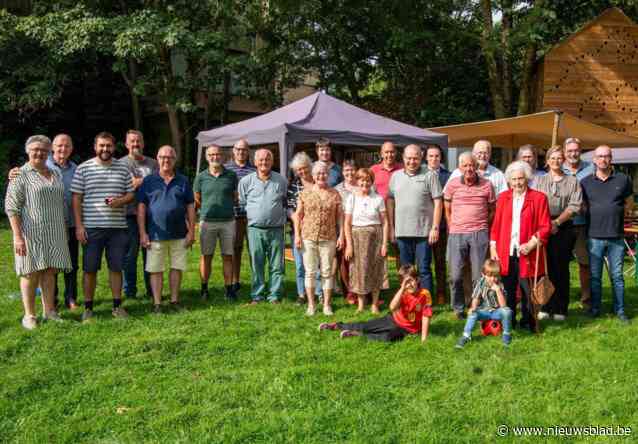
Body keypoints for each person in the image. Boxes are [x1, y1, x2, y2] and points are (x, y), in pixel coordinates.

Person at [5, 135, 72, 329]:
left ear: (49, 152)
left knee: (50, 271)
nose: (40, 153)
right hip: (30, 233)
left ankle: (49, 311)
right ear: (28, 151)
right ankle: (29, 315)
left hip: (55, 231)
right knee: (30, 272)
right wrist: (17, 237)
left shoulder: (55, 174)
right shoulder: (20, 175)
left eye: (44, 150)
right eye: (35, 149)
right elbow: (12, 207)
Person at [71, 132, 135, 322]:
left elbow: (131, 194)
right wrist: (79, 226)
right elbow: (76, 198)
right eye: (102, 145)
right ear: (95, 147)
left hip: (117, 228)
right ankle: (88, 309)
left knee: (116, 268)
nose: (105, 149)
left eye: (108, 146)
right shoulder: (83, 168)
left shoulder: (123, 168)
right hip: (92, 228)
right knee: (89, 269)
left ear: (114, 147)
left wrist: (120, 201)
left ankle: (117, 306)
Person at [490, 161, 551, 332]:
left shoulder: (539, 198)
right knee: (508, 290)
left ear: (527, 179)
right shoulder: (503, 198)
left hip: (529, 253)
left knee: (528, 291)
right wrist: (493, 248)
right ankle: (509, 322)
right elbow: (496, 225)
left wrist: (532, 244)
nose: (517, 183)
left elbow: (545, 226)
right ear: (509, 180)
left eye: (521, 178)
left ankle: (529, 322)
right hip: (506, 252)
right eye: (514, 179)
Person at [137, 146, 195, 313]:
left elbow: (190, 206)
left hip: (179, 233)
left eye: (169, 157)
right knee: (156, 269)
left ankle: (175, 301)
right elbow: (141, 208)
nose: (166, 160)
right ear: (157, 159)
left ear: (174, 160)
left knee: (177, 267)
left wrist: (191, 230)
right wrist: (142, 232)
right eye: (162, 157)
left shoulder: (183, 180)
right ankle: (157, 303)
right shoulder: (148, 181)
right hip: (155, 233)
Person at [580, 145, 634, 323]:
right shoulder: (586, 182)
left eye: (606, 156)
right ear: (594, 160)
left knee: (617, 276)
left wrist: (616, 214)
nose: (603, 159)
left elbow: (629, 202)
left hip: (616, 236)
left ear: (611, 159)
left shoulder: (623, 179)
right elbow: (583, 206)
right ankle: (595, 309)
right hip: (594, 235)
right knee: (595, 276)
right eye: (600, 156)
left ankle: (620, 310)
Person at [318, 265, 432, 343]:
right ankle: (337, 325)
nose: (409, 285)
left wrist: (424, 339)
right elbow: (392, 307)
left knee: (387, 337)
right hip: (393, 320)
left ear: (417, 280)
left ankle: (356, 335)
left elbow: (426, 317)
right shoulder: (402, 292)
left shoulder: (424, 294)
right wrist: (402, 289)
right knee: (366, 326)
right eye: (406, 282)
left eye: (411, 280)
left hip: (406, 330)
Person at [443, 152, 496, 319]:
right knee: (455, 275)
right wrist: (452, 225)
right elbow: (447, 208)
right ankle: (458, 308)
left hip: (479, 234)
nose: (469, 168)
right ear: (460, 168)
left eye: (472, 165)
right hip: (457, 233)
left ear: (476, 166)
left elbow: (493, 209)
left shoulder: (487, 185)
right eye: (465, 165)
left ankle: (477, 306)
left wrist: (483, 224)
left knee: (478, 275)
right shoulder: (452, 184)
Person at [534, 145, 582, 321]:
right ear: (547, 161)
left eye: (559, 158)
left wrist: (557, 222)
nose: (556, 161)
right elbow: (536, 203)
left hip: (564, 227)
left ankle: (561, 308)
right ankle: (545, 305)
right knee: (544, 268)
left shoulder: (572, 181)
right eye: (552, 158)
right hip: (543, 226)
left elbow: (574, 205)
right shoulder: (540, 181)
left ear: (564, 160)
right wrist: (546, 224)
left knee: (561, 269)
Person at [387, 144, 442, 294]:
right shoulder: (396, 176)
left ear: (421, 157)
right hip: (402, 231)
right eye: (409, 158)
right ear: (403, 158)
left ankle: (426, 302)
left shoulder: (430, 175)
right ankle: (408, 300)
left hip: (424, 232)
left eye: (415, 158)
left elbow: (438, 202)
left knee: (424, 269)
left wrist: (435, 227)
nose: (412, 161)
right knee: (406, 269)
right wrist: (391, 228)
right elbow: (390, 201)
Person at [294, 162, 344, 316]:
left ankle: (327, 305)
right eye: (318, 174)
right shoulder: (305, 193)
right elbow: (298, 216)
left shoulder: (334, 194)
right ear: (313, 176)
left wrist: (341, 235)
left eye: (324, 173)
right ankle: (311, 305)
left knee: (327, 272)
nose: (321, 176)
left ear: (328, 176)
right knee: (310, 271)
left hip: (328, 237)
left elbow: (340, 217)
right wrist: (297, 235)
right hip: (308, 236)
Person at [238, 149, 288, 304]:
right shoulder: (246, 181)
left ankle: (274, 296)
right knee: (257, 264)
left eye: (267, 159)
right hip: (255, 229)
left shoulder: (281, 181)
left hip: (277, 229)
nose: (264, 162)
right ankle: (257, 295)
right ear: (255, 162)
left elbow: (285, 203)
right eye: (260, 160)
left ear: (272, 162)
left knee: (276, 265)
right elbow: (241, 203)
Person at [194, 144, 239, 301]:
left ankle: (229, 289)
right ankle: (204, 289)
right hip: (207, 222)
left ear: (223, 156)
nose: (215, 157)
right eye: (211, 155)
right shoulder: (201, 177)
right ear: (207, 157)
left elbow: (235, 196)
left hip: (228, 222)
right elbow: (197, 199)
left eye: (218, 154)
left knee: (228, 256)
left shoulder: (231, 175)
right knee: (206, 256)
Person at [344, 168, 389, 313]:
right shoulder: (352, 198)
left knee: (376, 269)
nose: (365, 182)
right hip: (357, 237)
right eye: (362, 179)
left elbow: (385, 222)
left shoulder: (378, 198)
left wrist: (384, 244)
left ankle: (375, 304)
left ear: (371, 181)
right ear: (357, 181)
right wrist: (349, 245)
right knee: (359, 271)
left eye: (367, 180)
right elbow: (347, 223)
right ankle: (361, 304)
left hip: (375, 236)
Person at [119, 130, 157, 300]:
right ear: (127, 144)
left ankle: (151, 289)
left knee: (150, 253)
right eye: (132, 141)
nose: (136, 144)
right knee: (130, 255)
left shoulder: (153, 163)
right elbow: (122, 188)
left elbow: (160, 182)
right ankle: (130, 291)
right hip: (129, 215)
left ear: (143, 143)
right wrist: (144, 182)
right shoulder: (120, 164)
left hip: (151, 215)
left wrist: (140, 182)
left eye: (138, 141)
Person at [561, 137, 594, 309]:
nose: (573, 153)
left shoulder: (590, 168)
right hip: (563, 223)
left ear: (580, 151)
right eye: (569, 151)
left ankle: (587, 299)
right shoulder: (558, 167)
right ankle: (560, 298)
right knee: (560, 262)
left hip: (583, 223)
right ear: (564, 152)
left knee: (584, 262)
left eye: (576, 150)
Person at [287, 152, 321, 304]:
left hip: (317, 230)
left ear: (310, 166)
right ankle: (302, 294)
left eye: (305, 168)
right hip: (298, 231)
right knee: (300, 265)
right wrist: (293, 216)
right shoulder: (293, 185)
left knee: (316, 265)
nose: (302, 172)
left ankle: (319, 293)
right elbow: (288, 206)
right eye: (299, 169)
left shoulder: (318, 182)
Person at [455, 259, 512, 348]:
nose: (493, 279)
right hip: (485, 311)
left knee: (507, 311)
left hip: (497, 312)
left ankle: (507, 334)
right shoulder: (481, 283)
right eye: (490, 276)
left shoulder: (500, 284)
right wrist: (473, 307)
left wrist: (497, 290)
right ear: (483, 275)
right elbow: (476, 298)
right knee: (473, 312)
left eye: (495, 276)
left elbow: (503, 306)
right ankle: (466, 335)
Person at [224, 139, 256, 294]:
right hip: (234, 216)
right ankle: (235, 280)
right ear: (233, 150)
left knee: (254, 250)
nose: (241, 152)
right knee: (236, 249)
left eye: (244, 149)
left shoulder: (255, 169)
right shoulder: (226, 169)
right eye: (238, 149)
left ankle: (256, 281)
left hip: (252, 217)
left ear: (248, 151)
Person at [425, 144, 451, 305]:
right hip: (422, 225)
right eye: (431, 156)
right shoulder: (420, 174)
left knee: (440, 262)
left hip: (440, 226)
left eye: (437, 156)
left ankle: (441, 292)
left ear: (441, 158)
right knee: (424, 264)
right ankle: (425, 294)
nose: (434, 159)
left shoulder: (448, 176)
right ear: (426, 157)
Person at [334, 160, 358, 305]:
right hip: (343, 229)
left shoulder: (362, 186)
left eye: (352, 170)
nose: (350, 173)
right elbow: (338, 214)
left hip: (360, 228)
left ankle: (361, 291)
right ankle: (349, 291)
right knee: (344, 261)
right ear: (343, 172)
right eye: (347, 170)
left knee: (359, 263)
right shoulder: (337, 189)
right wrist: (341, 235)